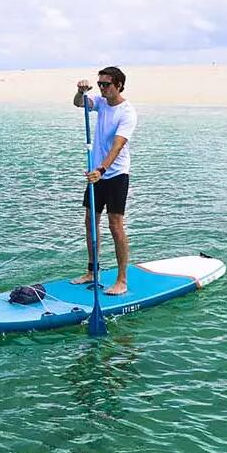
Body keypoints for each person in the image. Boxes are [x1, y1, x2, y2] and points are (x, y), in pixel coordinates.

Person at [71, 66, 138, 295]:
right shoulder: (100, 102)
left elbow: (118, 146)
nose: (101, 88)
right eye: (99, 84)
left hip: (116, 173)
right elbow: (78, 103)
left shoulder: (127, 112)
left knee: (115, 224)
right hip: (96, 174)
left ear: (118, 85)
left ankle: (122, 280)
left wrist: (101, 169)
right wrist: (81, 92)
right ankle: (93, 271)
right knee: (90, 221)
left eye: (106, 84)